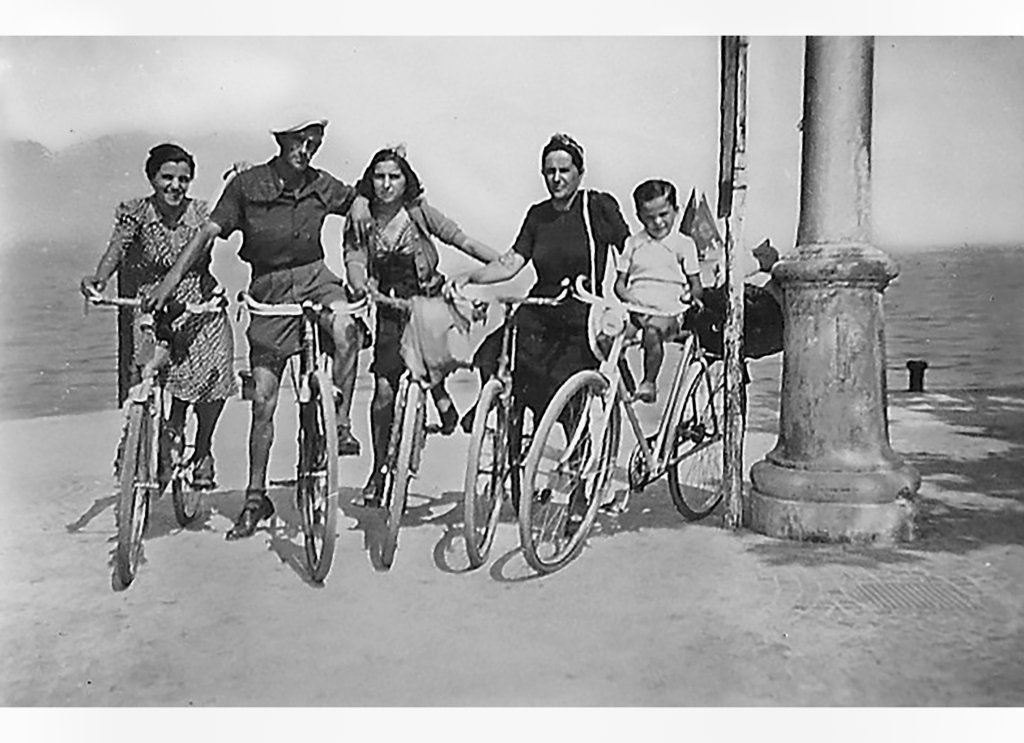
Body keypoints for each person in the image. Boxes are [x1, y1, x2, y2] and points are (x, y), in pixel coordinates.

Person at [146, 116, 373, 540]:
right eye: (299, 141)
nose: (307, 149)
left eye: (315, 142)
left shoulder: (322, 184)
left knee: (347, 329)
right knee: (264, 402)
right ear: (281, 139)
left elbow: (366, 195)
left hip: (315, 278)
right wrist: (170, 282)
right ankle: (255, 498)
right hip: (267, 291)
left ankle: (339, 425)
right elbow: (207, 234)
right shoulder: (248, 185)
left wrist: (359, 200)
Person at [342, 145, 502, 501]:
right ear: (370, 180)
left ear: (406, 181)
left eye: (394, 177)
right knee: (383, 392)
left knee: (427, 363)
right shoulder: (360, 218)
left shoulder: (419, 213)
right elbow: (353, 258)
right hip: (389, 308)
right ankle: (379, 469)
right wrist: (358, 284)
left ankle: (441, 400)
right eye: (379, 177)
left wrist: (507, 263)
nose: (385, 185)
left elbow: (461, 240)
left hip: (428, 305)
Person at [80, 143, 236, 490]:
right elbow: (117, 250)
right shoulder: (136, 213)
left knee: (214, 373)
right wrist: (99, 279)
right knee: (148, 373)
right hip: (150, 304)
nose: (175, 186)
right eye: (167, 177)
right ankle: (151, 442)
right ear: (152, 178)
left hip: (198, 304)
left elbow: (238, 209)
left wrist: (242, 176)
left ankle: (204, 448)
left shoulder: (201, 214)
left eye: (183, 179)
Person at [450, 132, 630, 423]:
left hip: (581, 310)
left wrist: (631, 295)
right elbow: (510, 263)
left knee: (561, 375)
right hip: (540, 306)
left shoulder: (597, 206)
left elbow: (630, 252)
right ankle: (493, 404)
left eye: (564, 171)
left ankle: (575, 445)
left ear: (580, 173)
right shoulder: (538, 215)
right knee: (498, 348)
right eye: (550, 172)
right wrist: (470, 277)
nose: (556, 178)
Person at [614, 179, 704, 405]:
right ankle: (622, 381)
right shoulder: (633, 243)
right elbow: (620, 283)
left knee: (652, 332)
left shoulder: (683, 244)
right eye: (649, 217)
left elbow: (696, 284)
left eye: (663, 214)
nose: (657, 222)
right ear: (639, 217)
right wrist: (627, 296)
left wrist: (691, 297)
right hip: (637, 308)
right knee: (607, 336)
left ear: (676, 210)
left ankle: (649, 382)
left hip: (669, 311)